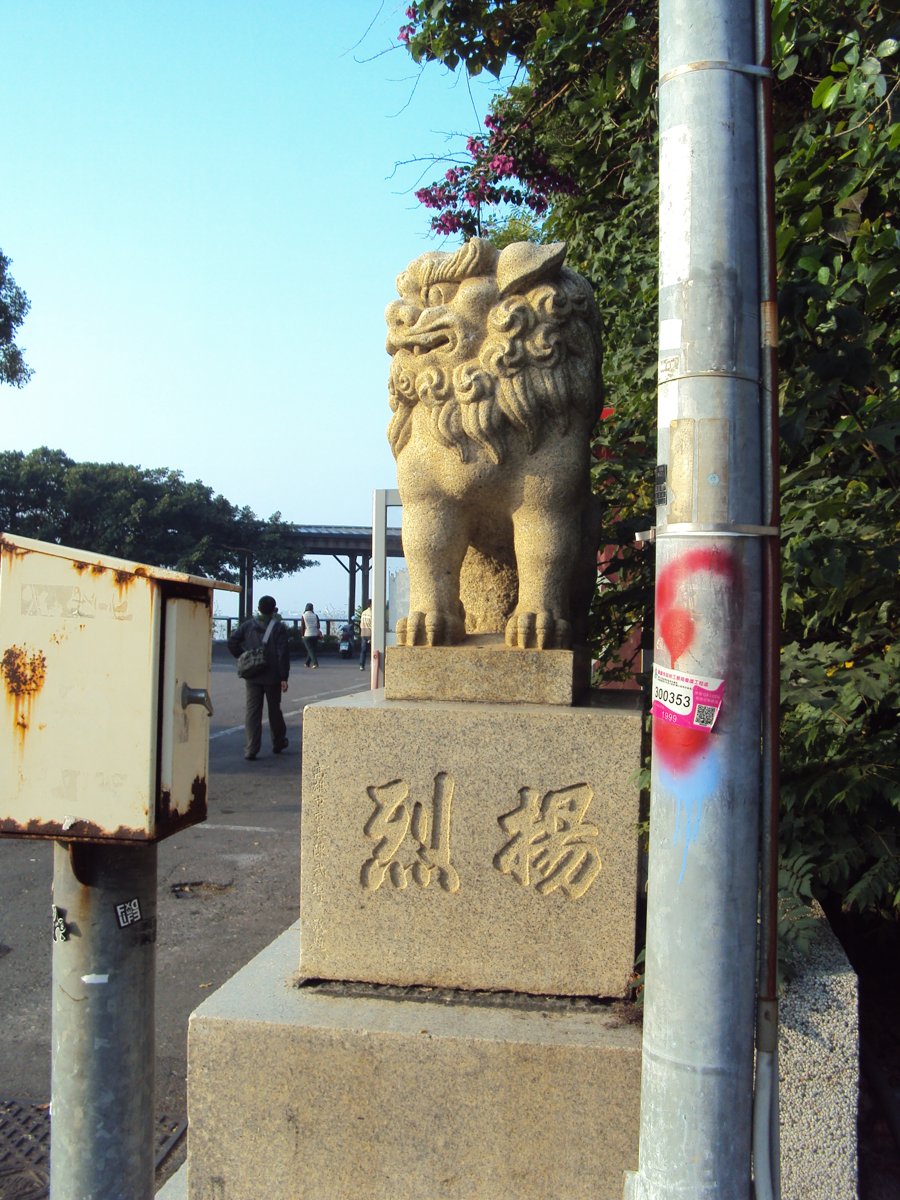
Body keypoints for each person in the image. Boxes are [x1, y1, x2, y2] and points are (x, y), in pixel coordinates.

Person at [227, 595, 290, 760]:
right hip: (273, 675)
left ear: (259, 608)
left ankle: (251, 748)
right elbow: (282, 653)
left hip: (252, 674)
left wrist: (244, 656)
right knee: (274, 710)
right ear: (274, 608)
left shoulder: (248, 625)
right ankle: (278, 741)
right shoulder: (278, 628)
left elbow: (232, 642)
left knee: (253, 711)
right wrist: (284, 677)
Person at [301, 602, 320, 669]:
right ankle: (307, 663)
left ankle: (315, 663)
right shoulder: (315, 615)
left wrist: (302, 635)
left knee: (310, 649)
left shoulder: (303, 616)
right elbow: (318, 626)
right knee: (312, 649)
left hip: (307, 634)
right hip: (315, 634)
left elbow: (303, 626)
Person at [358, 601, 372, 671]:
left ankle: (361, 665)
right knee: (373, 650)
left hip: (363, 632)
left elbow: (361, 623)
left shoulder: (363, 613)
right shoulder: (372, 613)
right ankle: (373, 664)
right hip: (370, 633)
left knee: (363, 650)